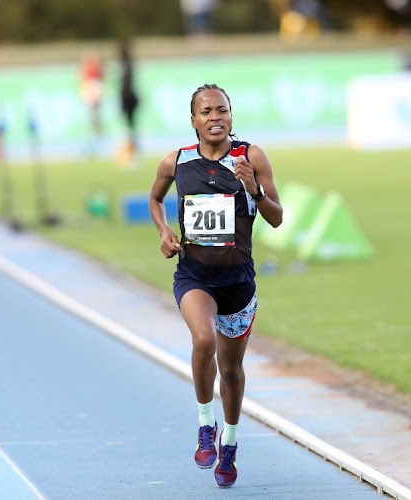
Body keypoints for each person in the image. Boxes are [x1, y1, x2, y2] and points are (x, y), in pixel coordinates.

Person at [148, 84, 283, 488]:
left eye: (221, 110)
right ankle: (205, 425)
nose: (215, 118)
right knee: (203, 340)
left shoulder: (250, 157)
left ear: (231, 116)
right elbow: (155, 200)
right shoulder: (176, 162)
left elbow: (276, 217)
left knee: (232, 369)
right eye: (206, 111)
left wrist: (253, 189)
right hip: (195, 276)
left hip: (238, 281)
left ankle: (230, 442)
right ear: (194, 121)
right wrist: (163, 231)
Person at [79, 49, 105, 154]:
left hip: (94, 96)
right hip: (91, 96)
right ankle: (94, 142)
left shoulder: (95, 72)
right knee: (92, 121)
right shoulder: (89, 72)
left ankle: (97, 142)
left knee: (95, 120)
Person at [118, 39, 139, 166]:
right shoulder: (128, 64)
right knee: (130, 127)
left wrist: (124, 98)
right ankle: (131, 152)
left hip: (128, 98)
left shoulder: (126, 66)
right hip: (129, 98)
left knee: (128, 127)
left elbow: (126, 85)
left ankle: (131, 154)